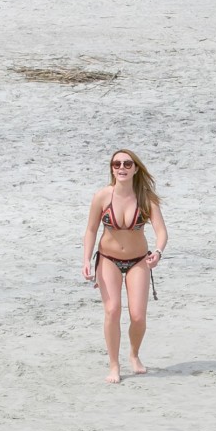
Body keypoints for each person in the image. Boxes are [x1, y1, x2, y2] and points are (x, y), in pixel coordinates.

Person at [80, 149, 168, 382]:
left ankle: (134, 354)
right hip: (108, 259)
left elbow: (161, 231)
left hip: (138, 260)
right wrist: (86, 259)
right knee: (113, 309)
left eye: (127, 164)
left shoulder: (146, 198)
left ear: (135, 168)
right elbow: (90, 230)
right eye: (116, 163)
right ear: (111, 168)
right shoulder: (102, 196)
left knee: (138, 316)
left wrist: (158, 252)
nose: (122, 167)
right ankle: (114, 365)